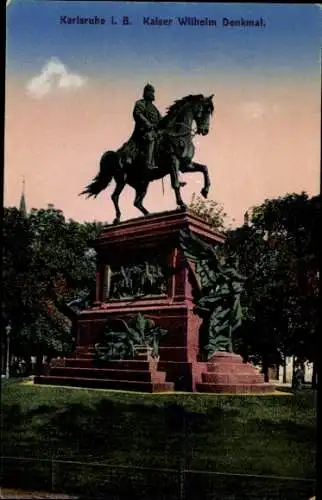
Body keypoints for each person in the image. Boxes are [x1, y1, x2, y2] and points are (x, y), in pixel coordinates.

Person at [132, 83, 162, 170]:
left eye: (153, 92)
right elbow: (138, 114)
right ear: (146, 93)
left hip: (154, 131)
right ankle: (148, 163)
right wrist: (147, 124)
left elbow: (160, 119)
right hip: (143, 132)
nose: (153, 94)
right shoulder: (140, 103)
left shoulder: (154, 108)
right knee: (150, 138)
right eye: (151, 92)